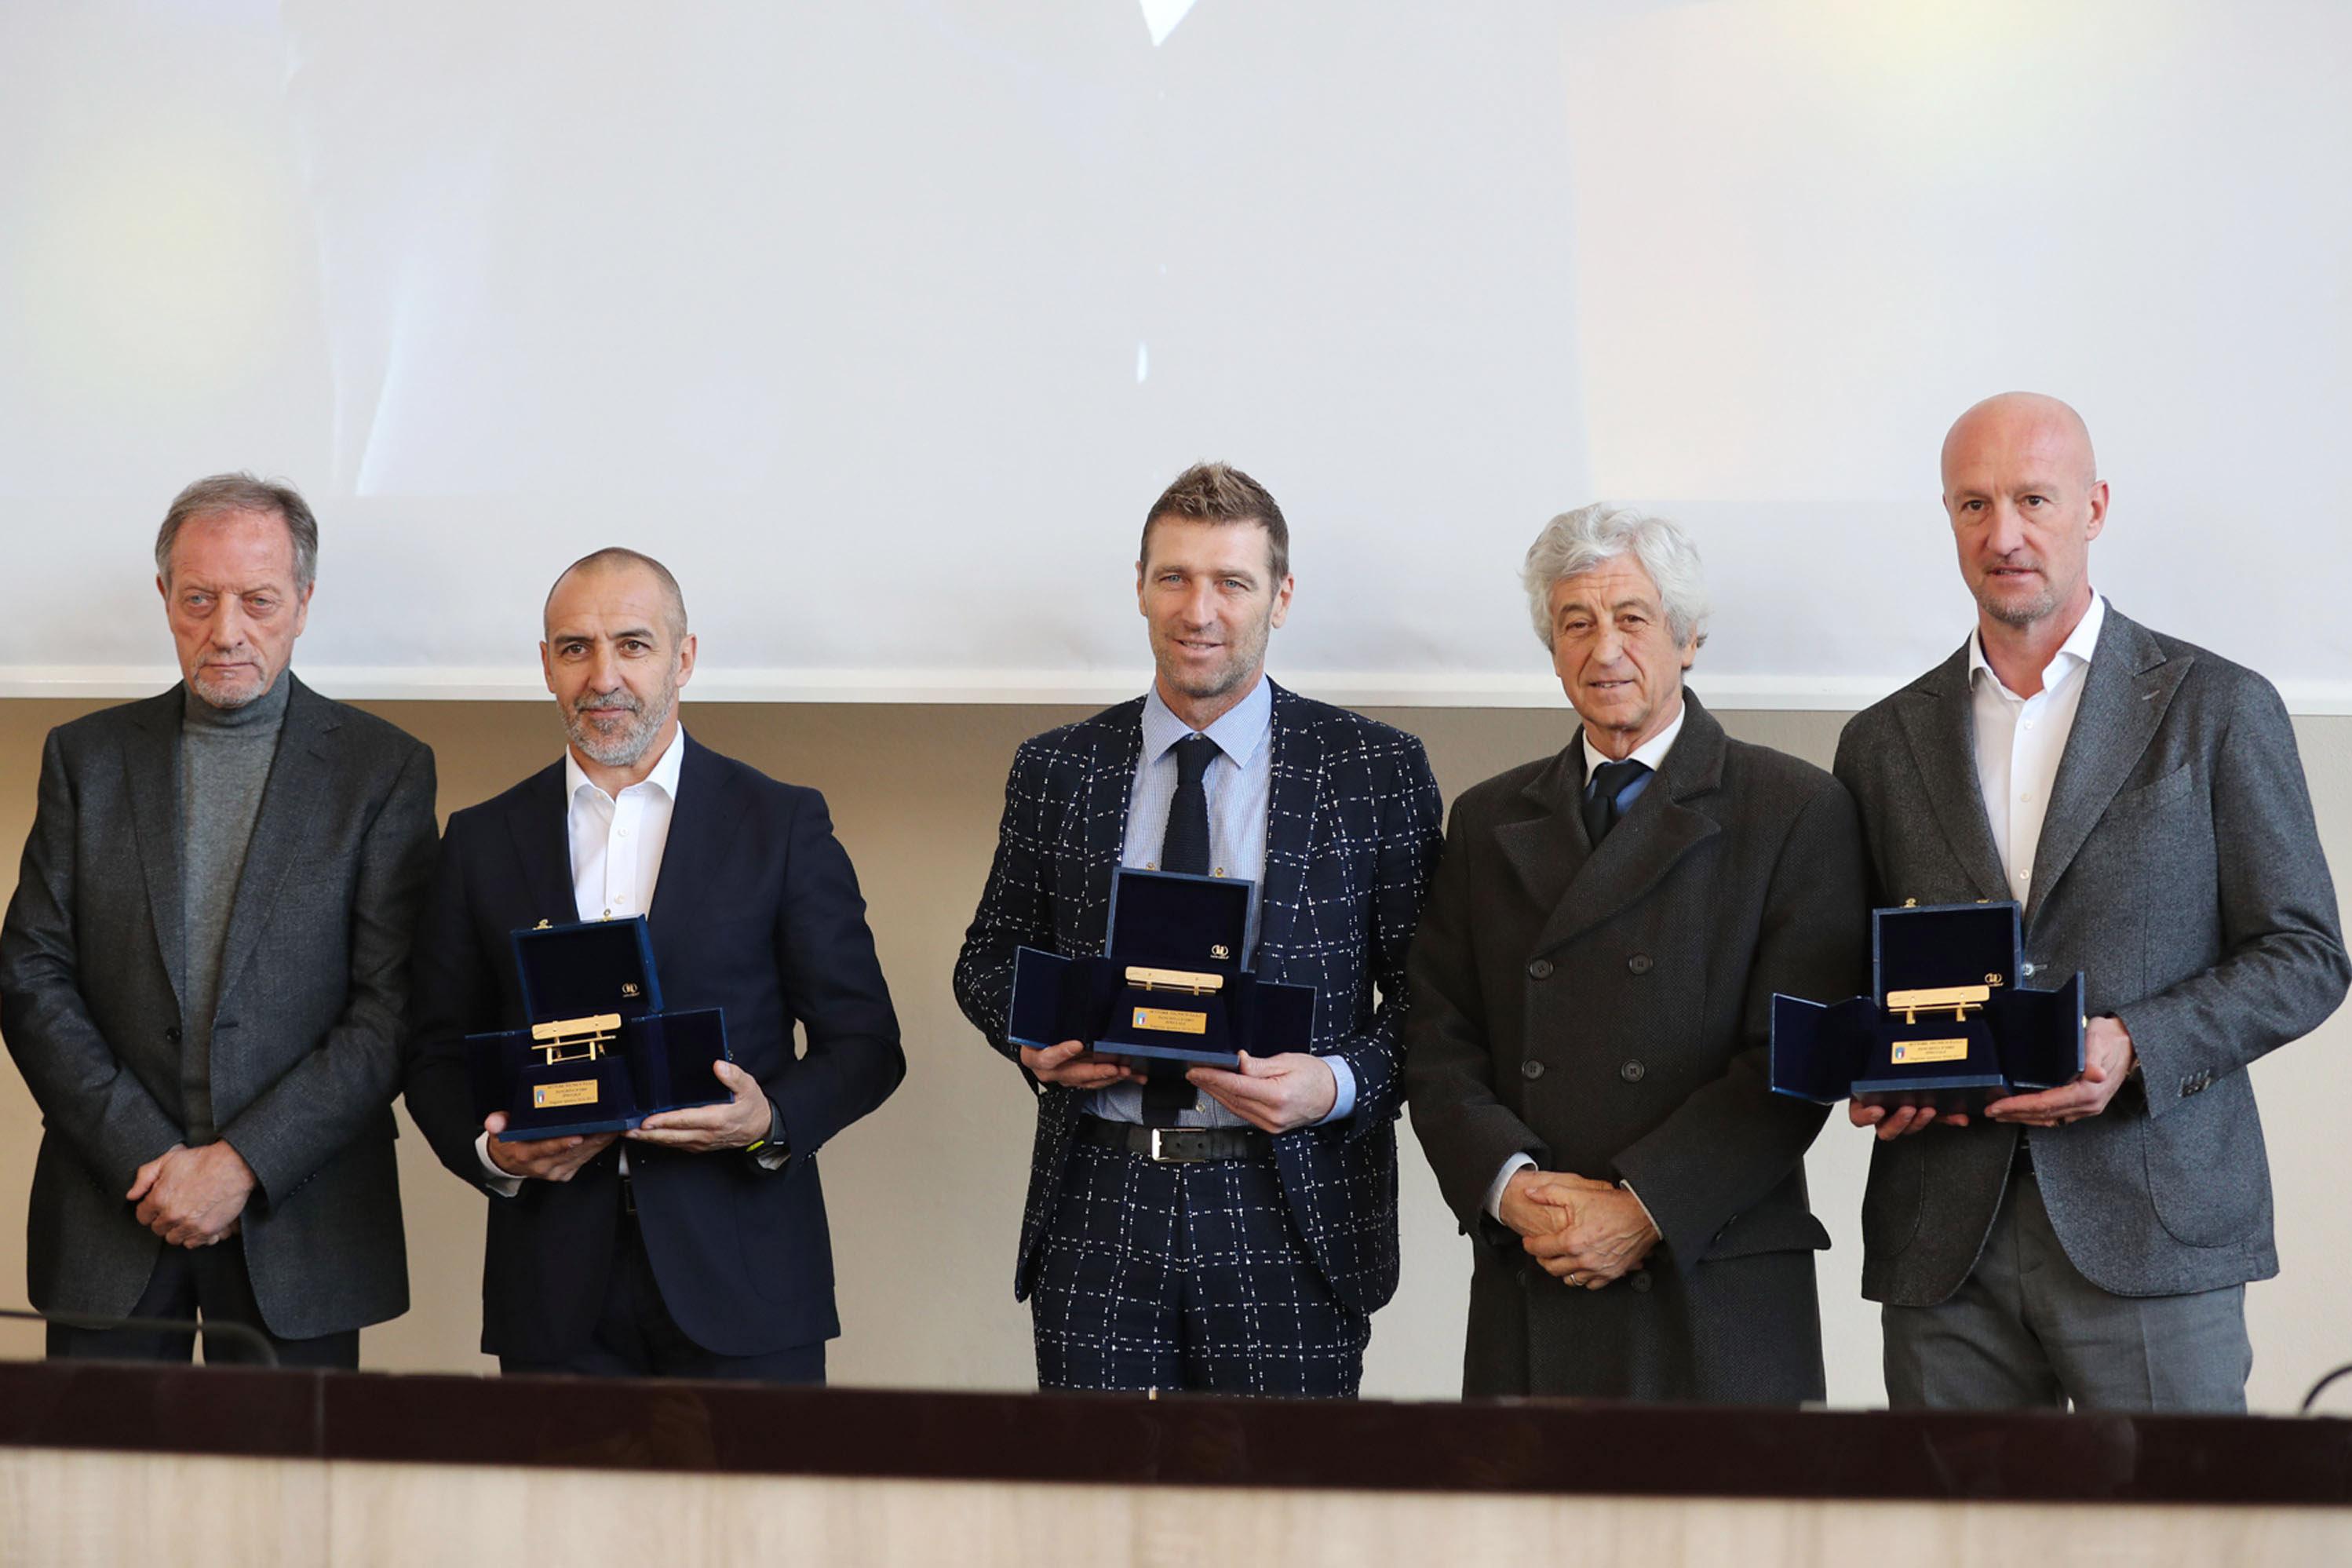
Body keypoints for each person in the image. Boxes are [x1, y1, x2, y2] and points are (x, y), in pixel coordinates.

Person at [1835, 392, 2349, 1411]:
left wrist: (2134, 1043)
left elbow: (2304, 952)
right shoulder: (1882, 740)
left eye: (2033, 498)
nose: (2005, 533)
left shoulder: (2215, 705)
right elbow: (1857, 965)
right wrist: (1870, 1064)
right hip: (1945, 1242)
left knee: (2183, 1546)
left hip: (2156, 1226)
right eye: (1973, 505)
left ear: (2095, 507)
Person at [953, 462, 1443, 1397]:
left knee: (1278, 1531)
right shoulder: (1059, 768)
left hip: (1289, 1211)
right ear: (1139, 586)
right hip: (1099, 1205)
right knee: (1098, 1527)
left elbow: (1439, 1003)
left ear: (1281, 597)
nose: (1199, 610)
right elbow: (988, 958)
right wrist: (1032, 1039)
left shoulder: (1374, 769)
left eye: (1232, 581)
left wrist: (1334, 1087)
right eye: (1173, 577)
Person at [1402, 503, 1867, 1402]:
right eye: (1575, 623)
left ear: (1688, 640)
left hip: (1711, 1270)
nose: (1603, 648)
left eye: (1632, 619)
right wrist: (1512, 1187)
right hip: (1537, 1265)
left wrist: (1643, 1207)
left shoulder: (1793, 808)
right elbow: (1438, 1036)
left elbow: (1793, 1063)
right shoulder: (1491, 818)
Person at [402, 548, 903, 1382]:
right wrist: (494, 1155)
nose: (603, 676)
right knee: (558, 1520)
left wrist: (768, 1121)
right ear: (547, 667)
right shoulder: (482, 841)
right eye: (575, 649)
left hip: (747, 1283)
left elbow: (868, 1046)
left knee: (758, 1520)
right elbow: (433, 1054)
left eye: (632, 645)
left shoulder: (779, 824)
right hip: (553, 1295)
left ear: (684, 658)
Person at [0, 473, 438, 1366]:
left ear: (304, 603)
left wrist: (240, 1165)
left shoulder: (382, 770)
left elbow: (391, 1010)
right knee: (97, 1501)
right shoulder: (86, 759)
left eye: (258, 600)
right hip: (111, 1212)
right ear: (164, 598)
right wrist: (151, 1157)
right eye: (199, 599)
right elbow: (31, 975)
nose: (227, 630)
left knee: (289, 1506)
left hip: (301, 1220)